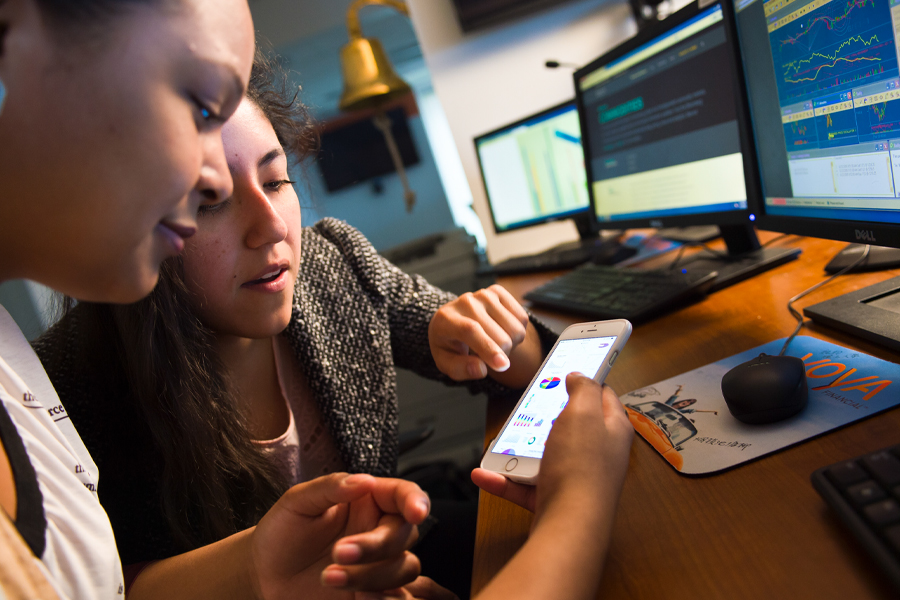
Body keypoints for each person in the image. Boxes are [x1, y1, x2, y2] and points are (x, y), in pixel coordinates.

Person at [33, 51, 555, 599]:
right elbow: (96, 585)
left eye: (276, 180)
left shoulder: (333, 261)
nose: (270, 227)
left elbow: (508, 364)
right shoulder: (67, 387)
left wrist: (489, 336)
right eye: (210, 202)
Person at [0, 1, 437, 598]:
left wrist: (260, 569)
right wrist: (578, 505)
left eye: (277, 177)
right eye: (198, 107)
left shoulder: (12, 369)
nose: (205, 174)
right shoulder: (73, 380)